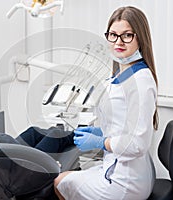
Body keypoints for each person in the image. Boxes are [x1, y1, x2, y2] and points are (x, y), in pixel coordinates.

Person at [54, 6, 158, 200]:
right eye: (113, 35)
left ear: (140, 38)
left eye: (127, 35)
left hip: (127, 180)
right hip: (116, 166)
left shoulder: (141, 81)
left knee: (60, 183)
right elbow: (123, 125)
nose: (118, 42)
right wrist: (101, 132)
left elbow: (138, 143)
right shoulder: (120, 75)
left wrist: (102, 142)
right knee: (65, 177)